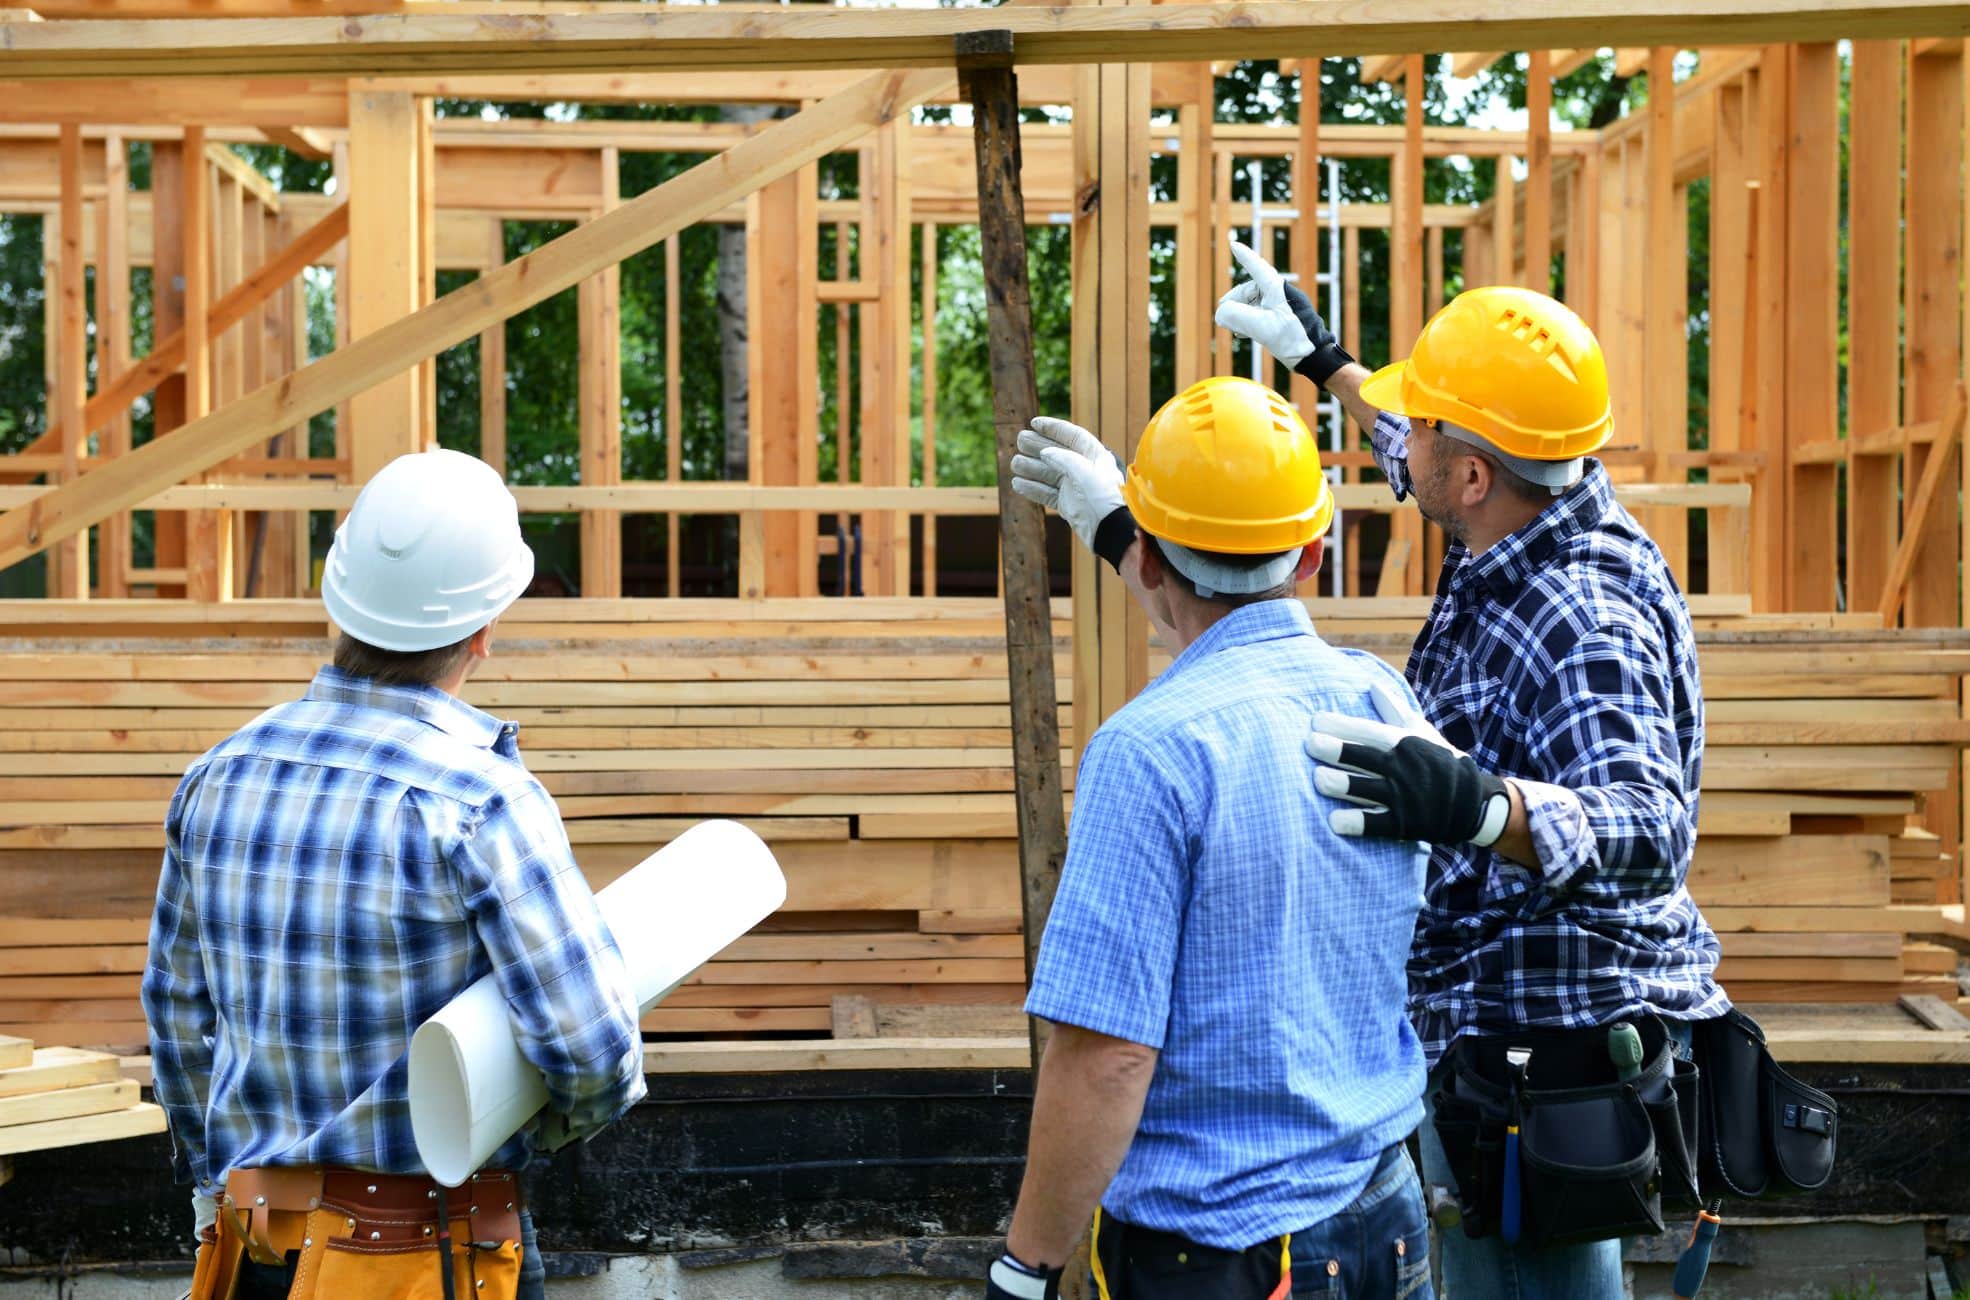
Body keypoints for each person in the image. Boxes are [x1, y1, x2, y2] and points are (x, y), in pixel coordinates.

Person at [1213, 240, 1726, 1298]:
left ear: (1476, 474)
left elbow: (1650, 829)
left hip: (1547, 1051)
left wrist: (1481, 806)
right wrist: (1324, 361)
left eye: (1426, 427)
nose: (1405, 445)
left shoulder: (1584, 618)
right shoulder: (1518, 506)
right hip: (1490, 1030)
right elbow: (1422, 449)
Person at [143, 449, 646, 1300]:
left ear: (338, 601)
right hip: (433, 1260)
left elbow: (175, 1016)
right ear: (484, 629)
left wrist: (213, 1173)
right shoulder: (481, 801)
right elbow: (592, 1055)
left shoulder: (217, 776)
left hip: (257, 1249)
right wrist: (523, 1127)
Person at [985, 377, 1434, 1300]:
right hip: (1384, 1214)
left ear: (1149, 560)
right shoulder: (1379, 698)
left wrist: (1026, 1268)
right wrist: (1118, 527)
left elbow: (1108, 1056)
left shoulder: (1149, 752)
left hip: (1226, 1255)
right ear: (1314, 552)